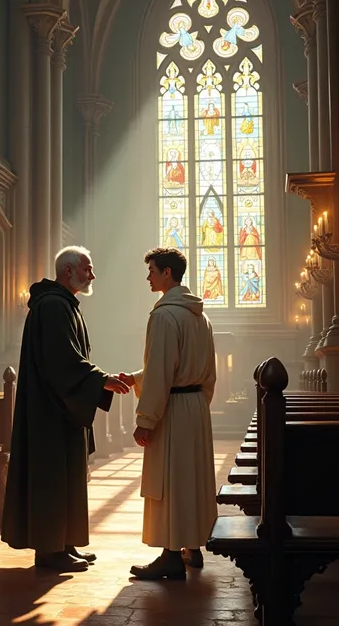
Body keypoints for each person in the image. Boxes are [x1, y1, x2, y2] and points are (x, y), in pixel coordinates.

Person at [1, 246, 129, 572]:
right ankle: (49, 551)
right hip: (51, 413)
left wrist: (98, 380)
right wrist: (102, 380)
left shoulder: (63, 304)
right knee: (52, 482)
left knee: (67, 480)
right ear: (68, 271)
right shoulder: (54, 306)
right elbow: (63, 362)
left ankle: (64, 543)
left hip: (62, 410)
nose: (92, 275)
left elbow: (70, 360)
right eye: (87, 268)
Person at [119, 247, 217, 580]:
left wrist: (145, 420)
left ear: (167, 274)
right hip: (195, 407)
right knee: (191, 480)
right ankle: (193, 546)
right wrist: (135, 379)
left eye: (152, 270)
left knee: (171, 482)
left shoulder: (164, 315)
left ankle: (170, 557)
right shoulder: (200, 315)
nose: (148, 276)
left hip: (173, 408)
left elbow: (161, 371)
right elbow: (206, 373)